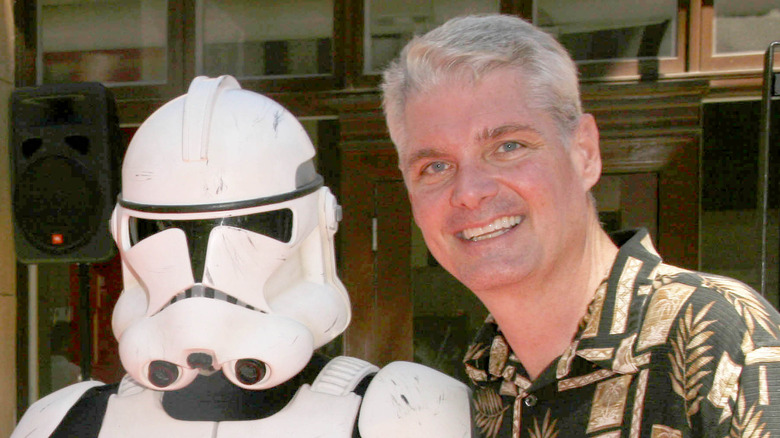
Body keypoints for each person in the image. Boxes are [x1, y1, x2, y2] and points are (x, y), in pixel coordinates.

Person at [382, 14, 780, 437]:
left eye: (508, 146)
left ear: (585, 152)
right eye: (436, 166)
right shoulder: (485, 385)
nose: (469, 191)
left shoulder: (713, 333)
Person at [12, 75, 473, 437]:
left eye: (249, 229)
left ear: (315, 227)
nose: (200, 270)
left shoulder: (409, 413)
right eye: (158, 232)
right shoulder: (62, 420)